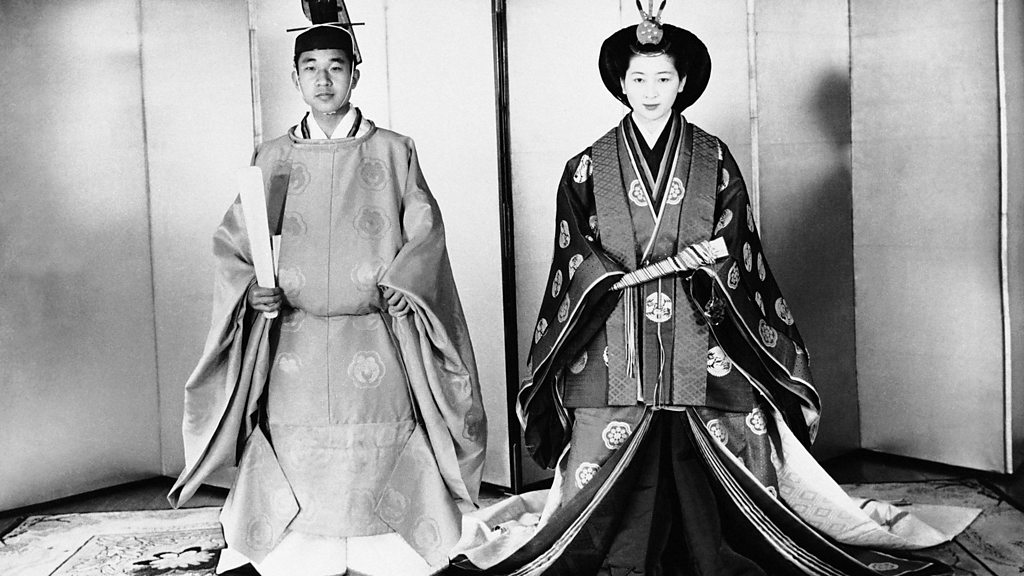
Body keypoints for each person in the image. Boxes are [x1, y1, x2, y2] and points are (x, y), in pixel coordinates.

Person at [444, 7, 972, 576]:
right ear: (621, 83)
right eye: (639, 78)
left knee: (735, 422)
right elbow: (573, 253)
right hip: (618, 330)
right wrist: (609, 281)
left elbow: (737, 241)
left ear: (683, 83)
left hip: (700, 322)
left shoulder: (713, 157)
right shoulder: (587, 166)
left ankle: (716, 541)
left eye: (663, 78)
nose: (651, 91)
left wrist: (704, 271)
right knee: (602, 433)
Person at [167, 9, 487, 576]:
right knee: (294, 442)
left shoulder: (393, 151)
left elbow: (425, 235)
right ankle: (297, 555)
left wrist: (406, 286)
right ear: (295, 78)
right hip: (296, 335)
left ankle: (388, 552)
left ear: (354, 75)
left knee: (383, 434)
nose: (323, 79)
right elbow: (239, 243)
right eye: (310, 68)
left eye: (335, 67)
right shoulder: (274, 157)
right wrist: (252, 291)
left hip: (375, 333)